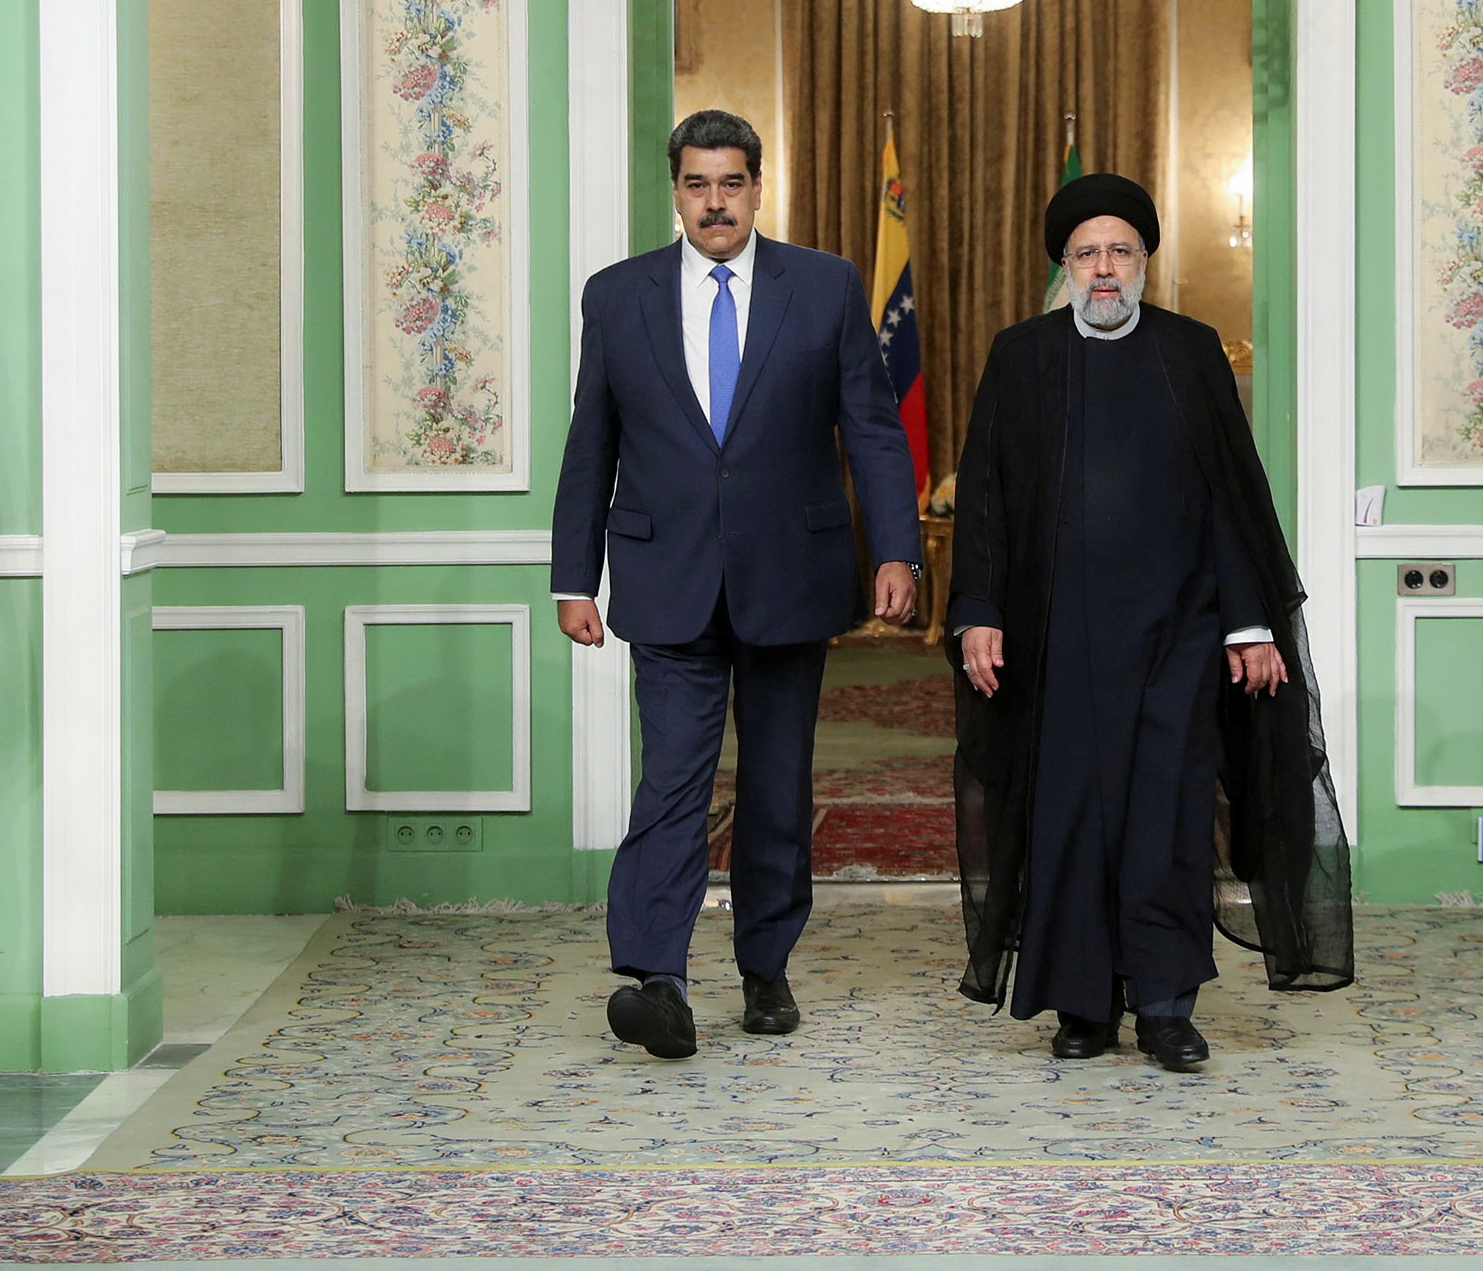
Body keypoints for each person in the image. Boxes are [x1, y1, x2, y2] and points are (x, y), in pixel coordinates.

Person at [945, 173, 1353, 1070]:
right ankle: (1084, 1004)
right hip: (1056, 639)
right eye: (1087, 253)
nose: (1103, 269)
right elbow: (985, 498)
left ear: (1145, 263)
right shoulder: (1022, 355)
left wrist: (1249, 623)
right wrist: (977, 613)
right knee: (1072, 816)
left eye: (1120, 251)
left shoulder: (1192, 351)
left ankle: (1166, 1004)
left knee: (1167, 818)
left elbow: (1234, 497)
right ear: (1064, 264)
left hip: (1177, 633)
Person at [553, 109, 923, 1059]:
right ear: (674, 191)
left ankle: (766, 969)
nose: (714, 202)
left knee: (773, 786)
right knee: (672, 779)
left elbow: (873, 428)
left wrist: (897, 549)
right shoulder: (617, 295)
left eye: (731, 183)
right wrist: (571, 575)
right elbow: (591, 442)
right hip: (663, 573)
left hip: (790, 576)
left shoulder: (829, 285)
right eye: (695, 184)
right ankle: (656, 976)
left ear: (758, 187)